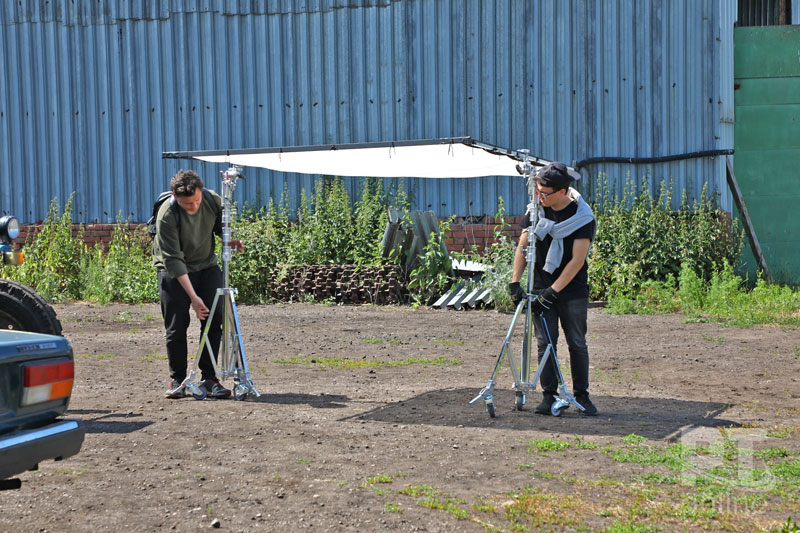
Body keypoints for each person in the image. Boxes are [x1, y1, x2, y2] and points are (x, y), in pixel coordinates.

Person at [508, 161, 597, 416]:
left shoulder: (582, 218)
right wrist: (515, 282)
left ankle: (582, 396)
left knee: (577, 343)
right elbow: (523, 247)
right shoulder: (535, 211)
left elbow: (576, 260)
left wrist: (554, 291)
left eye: (545, 193)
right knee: (545, 343)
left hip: (571, 291)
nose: (540, 197)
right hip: (540, 287)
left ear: (561, 191)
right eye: (538, 191)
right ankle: (548, 396)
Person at [152, 169, 244, 399]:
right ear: (174, 195)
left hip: (206, 265)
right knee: (176, 325)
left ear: (201, 191)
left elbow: (219, 227)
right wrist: (194, 298)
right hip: (173, 270)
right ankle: (178, 379)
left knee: (213, 320)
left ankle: (210, 379)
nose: (193, 206)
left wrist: (228, 239)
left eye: (196, 201)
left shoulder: (212, 199)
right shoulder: (167, 215)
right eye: (187, 203)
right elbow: (173, 260)